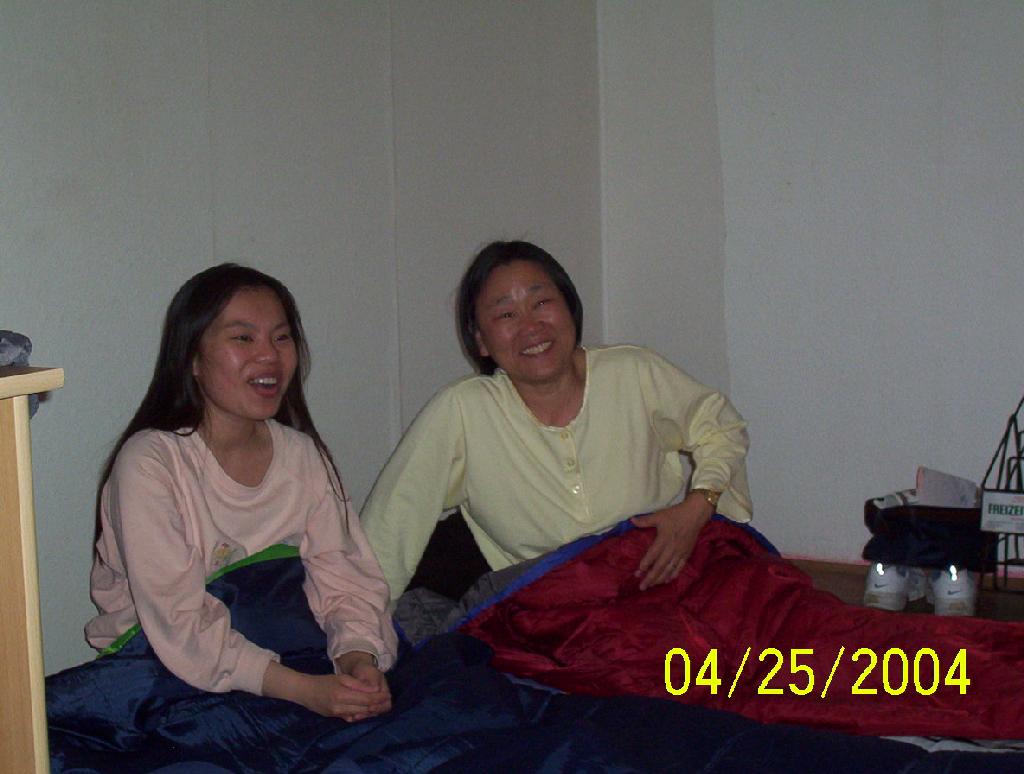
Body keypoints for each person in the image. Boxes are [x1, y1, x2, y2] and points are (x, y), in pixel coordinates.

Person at [86, 264, 397, 722]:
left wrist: (358, 661)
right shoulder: (151, 463)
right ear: (192, 359)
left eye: (282, 337)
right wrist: (305, 691)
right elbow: (179, 625)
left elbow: (345, 580)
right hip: (159, 676)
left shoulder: (302, 455)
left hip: (291, 659)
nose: (269, 355)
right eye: (243, 338)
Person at [362, 240, 753, 603]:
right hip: (547, 616)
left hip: (665, 586)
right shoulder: (463, 410)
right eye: (506, 314)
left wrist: (699, 505)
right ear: (480, 340)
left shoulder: (633, 372)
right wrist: (360, 634)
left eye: (542, 302)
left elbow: (721, 427)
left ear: (569, 307)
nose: (531, 326)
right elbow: (392, 526)